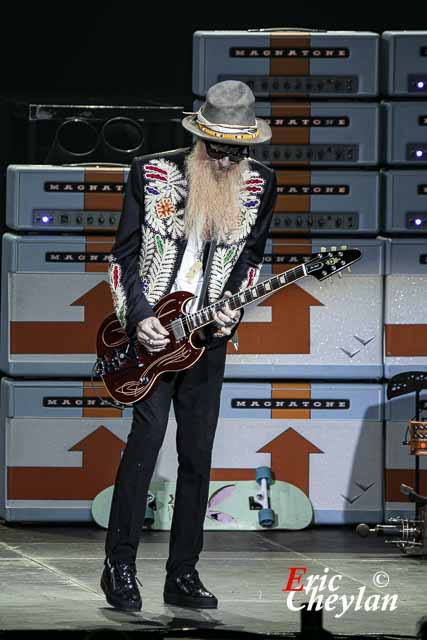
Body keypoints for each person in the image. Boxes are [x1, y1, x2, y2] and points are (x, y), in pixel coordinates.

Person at [101, 80, 277, 612]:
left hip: (206, 337)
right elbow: (122, 256)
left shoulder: (262, 184)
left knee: (197, 455)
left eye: (238, 149)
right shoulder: (152, 173)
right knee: (146, 442)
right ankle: (120, 567)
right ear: (199, 138)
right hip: (151, 336)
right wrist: (138, 318)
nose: (226, 159)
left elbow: (251, 260)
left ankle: (183, 573)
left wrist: (234, 308)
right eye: (217, 147)